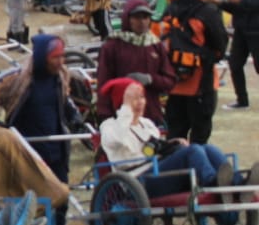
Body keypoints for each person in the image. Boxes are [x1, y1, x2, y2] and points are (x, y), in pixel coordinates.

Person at [0, 34, 84, 225]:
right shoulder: (20, 82)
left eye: (62, 56)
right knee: (26, 204)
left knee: (60, 200)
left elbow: (66, 104)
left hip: (56, 151)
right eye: (55, 57)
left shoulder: (59, 80)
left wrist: (77, 120)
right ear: (43, 57)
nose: (60, 61)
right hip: (26, 155)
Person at [98, 79, 255, 199]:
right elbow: (121, 138)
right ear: (122, 103)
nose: (140, 103)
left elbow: (152, 149)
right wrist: (126, 109)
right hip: (138, 181)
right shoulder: (110, 127)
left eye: (142, 97)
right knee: (193, 151)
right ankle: (212, 183)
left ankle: (238, 184)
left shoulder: (147, 124)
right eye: (133, 99)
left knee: (207, 148)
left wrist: (172, 144)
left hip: (159, 170)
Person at [163, 0, 229, 143]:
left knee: (175, 136)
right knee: (200, 137)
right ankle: (197, 169)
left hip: (174, 84)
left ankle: (177, 169)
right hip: (202, 83)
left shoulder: (169, 11)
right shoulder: (208, 11)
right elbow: (220, 47)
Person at [96, 0, 177, 124]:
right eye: (137, 17)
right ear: (127, 19)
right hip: (120, 115)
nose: (142, 22)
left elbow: (170, 80)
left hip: (150, 115)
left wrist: (150, 79)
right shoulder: (112, 46)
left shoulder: (155, 45)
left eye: (145, 17)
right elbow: (103, 82)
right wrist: (104, 115)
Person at [221, 0, 259, 109]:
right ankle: (242, 100)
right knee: (235, 64)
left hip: (256, 29)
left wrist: (240, 2)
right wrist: (222, 3)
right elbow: (237, 7)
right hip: (241, 29)